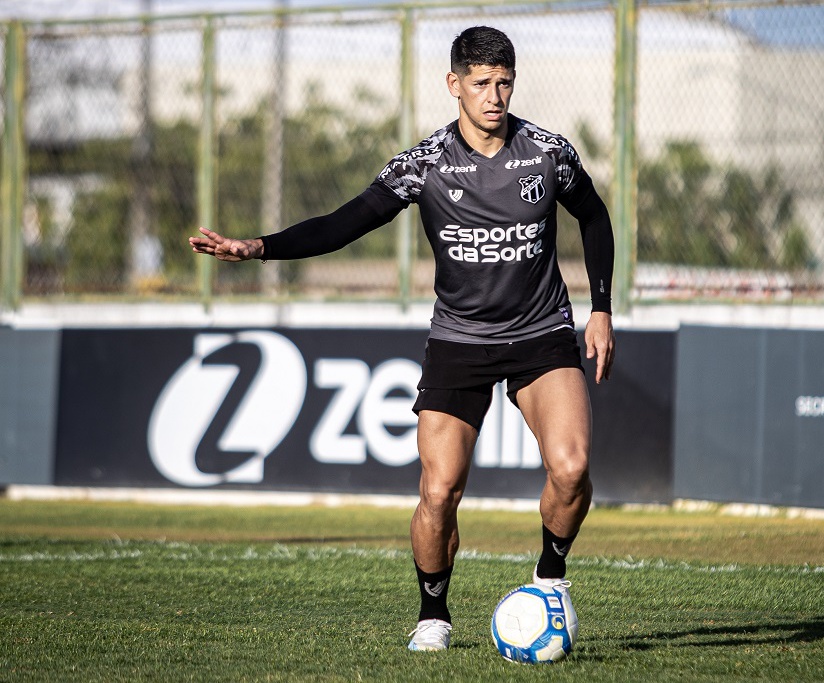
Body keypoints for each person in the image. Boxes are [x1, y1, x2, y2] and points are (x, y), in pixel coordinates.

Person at [189, 25, 615, 652]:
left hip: (540, 332)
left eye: (503, 83)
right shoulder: (425, 164)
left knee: (573, 469)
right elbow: (345, 223)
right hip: (459, 342)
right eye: (480, 84)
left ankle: (549, 580)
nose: (494, 96)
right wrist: (257, 248)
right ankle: (433, 616)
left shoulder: (548, 152)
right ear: (454, 86)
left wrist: (600, 309)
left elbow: (595, 214)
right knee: (438, 490)